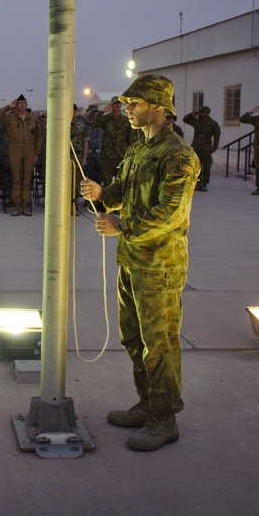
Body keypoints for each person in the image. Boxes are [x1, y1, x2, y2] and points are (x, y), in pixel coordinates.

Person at [80, 74, 200, 452]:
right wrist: (102, 195)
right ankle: (148, 404)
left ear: (159, 108)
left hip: (159, 264)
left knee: (159, 343)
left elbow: (170, 213)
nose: (128, 110)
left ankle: (165, 419)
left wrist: (122, 226)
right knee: (134, 338)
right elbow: (121, 194)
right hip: (132, 259)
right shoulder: (138, 149)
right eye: (127, 103)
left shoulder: (178, 155)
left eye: (135, 104)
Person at [0, 95, 44, 216]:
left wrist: (37, 153)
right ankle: (16, 204)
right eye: (19, 103)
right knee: (16, 178)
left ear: (26, 105)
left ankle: (25, 204)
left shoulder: (32, 119)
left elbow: (38, 137)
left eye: (24, 103)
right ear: (16, 105)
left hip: (29, 149)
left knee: (27, 179)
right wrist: (8, 107)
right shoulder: (10, 118)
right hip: (14, 148)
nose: (22, 105)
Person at [88, 96, 136, 185]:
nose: (117, 105)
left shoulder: (126, 120)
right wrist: (102, 111)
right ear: (111, 105)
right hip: (107, 157)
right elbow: (93, 123)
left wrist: (130, 155)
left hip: (122, 156)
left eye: (118, 103)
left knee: (122, 182)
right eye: (115, 103)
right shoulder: (106, 119)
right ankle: (107, 199)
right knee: (107, 183)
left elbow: (131, 138)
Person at [181, 106, 219, 192]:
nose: (203, 114)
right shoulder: (197, 122)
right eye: (202, 112)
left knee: (206, 166)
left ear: (208, 113)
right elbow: (185, 119)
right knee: (197, 167)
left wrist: (214, 147)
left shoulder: (213, 123)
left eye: (205, 112)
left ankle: (205, 184)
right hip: (197, 147)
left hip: (207, 148)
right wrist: (192, 114)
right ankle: (198, 183)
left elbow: (217, 135)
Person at [70, 103, 90, 206]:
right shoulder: (63, 125)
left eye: (74, 111)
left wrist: (84, 157)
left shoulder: (81, 126)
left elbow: (85, 142)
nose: (73, 113)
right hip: (64, 157)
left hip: (77, 156)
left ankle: (74, 204)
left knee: (76, 182)